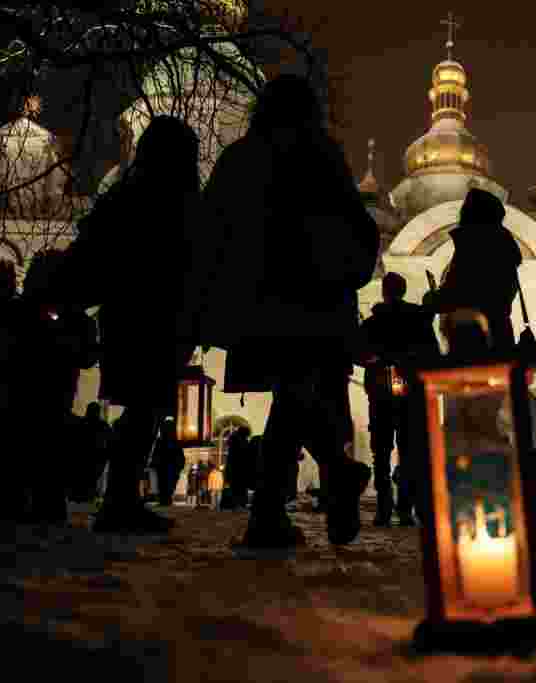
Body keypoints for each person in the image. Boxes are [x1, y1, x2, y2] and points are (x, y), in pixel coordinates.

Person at [195, 75, 378, 548]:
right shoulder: (321, 153)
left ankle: (277, 511)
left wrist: (214, 299)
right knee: (295, 399)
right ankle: (329, 479)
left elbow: (212, 229)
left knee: (290, 398)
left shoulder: (242, 157)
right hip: (316, 301)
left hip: (262, 301)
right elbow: (355, 227)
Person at [49, 115, 200, 534]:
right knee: (144, 409)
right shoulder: (173, 200)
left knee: (141, 408)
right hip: (157, 315)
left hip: (129, 315)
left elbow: (94, 246)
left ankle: (120, 496)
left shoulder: (128, 194)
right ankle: (119, 499)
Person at [0, 249, 99, 525]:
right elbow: (86, 355)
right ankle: (31, 503)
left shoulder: (21, 312)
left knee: (30, 448)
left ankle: (22, 503)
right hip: (42, 395)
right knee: (40, 449)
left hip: (34, 396)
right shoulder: (58, 315)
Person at [362, 272, 440, 526]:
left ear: (385, 291)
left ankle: (384, 508)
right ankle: (405, 507)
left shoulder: (374, 322)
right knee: (408, 452)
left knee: (381, 453)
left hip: (381, 389)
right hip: (408, 390)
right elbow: (432, 353)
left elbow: (357, 351)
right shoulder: (418, 320)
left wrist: (376, 359)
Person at [423, 188, 523, 353]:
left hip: (473, 339)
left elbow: (459, 290)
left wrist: (432, 299)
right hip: (500, 336)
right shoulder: (505, 247)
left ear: (471, 213)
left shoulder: (472, 243)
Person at [151, 420, 186, 507]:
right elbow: (180, 456)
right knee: (166, 484)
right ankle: (165, 499)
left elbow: (156, 454)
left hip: (167, 467)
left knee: (165, 484)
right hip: (168, 468)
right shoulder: (173, 441)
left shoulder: (164, 441)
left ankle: (165, 499)